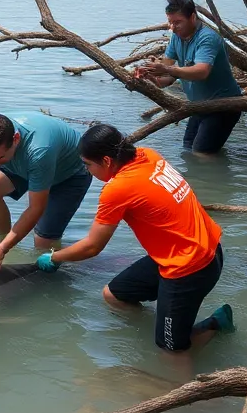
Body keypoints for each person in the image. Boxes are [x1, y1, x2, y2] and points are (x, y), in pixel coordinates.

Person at [36, 124, 235, 355]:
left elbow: (92, 246)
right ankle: (167, 328)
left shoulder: (117, 189)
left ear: (107, 161)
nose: (87, 170)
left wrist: (54, 257)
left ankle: (211, 325)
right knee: (114, 296)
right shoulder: (148, 154)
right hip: (207, 248)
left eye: (88, 164)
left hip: (189, 268)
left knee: (172, 354)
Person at [0, 113, 94, 274]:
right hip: (24, 165)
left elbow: (36, 208)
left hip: (69, 175)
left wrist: (2, 249)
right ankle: (2, 241)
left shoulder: (40, 149)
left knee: (43, 244)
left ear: (16, 138)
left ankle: (63, 273)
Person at [134, 0, 243, 154]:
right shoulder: (176, 38)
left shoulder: (207, 38)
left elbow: (201, 71)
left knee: (201, 153)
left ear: (192, 17)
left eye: (177, 22)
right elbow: (165, 80)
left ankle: (213, 177)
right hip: (199, 106)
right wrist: (150, 74)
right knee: (188, 148)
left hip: (223, 105)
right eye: (170, 22)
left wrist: (167, 69)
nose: (172, 27)